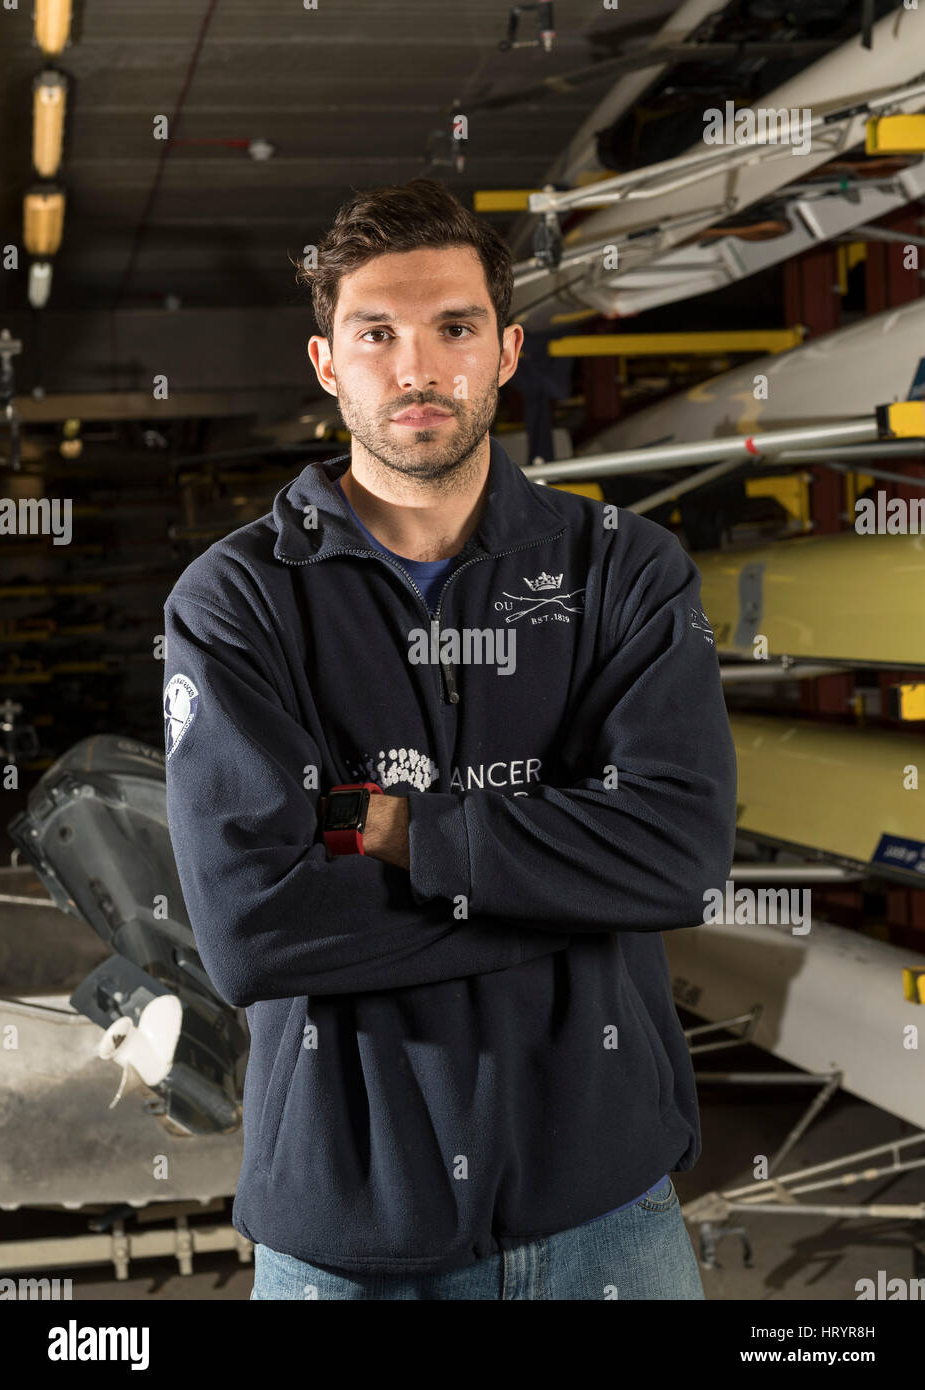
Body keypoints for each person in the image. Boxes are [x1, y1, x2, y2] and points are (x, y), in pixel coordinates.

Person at [163, 177, 737, 1300]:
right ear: (327, 363)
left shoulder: (621, 568)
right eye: (376, 333)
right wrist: (571, 886)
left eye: (454, 328)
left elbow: (680, 853)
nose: (416, 367)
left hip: (606, 1212)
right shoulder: (237, 602)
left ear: (508, 349)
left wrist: (400, 832)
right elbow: (251, 929)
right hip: (352, 1236)